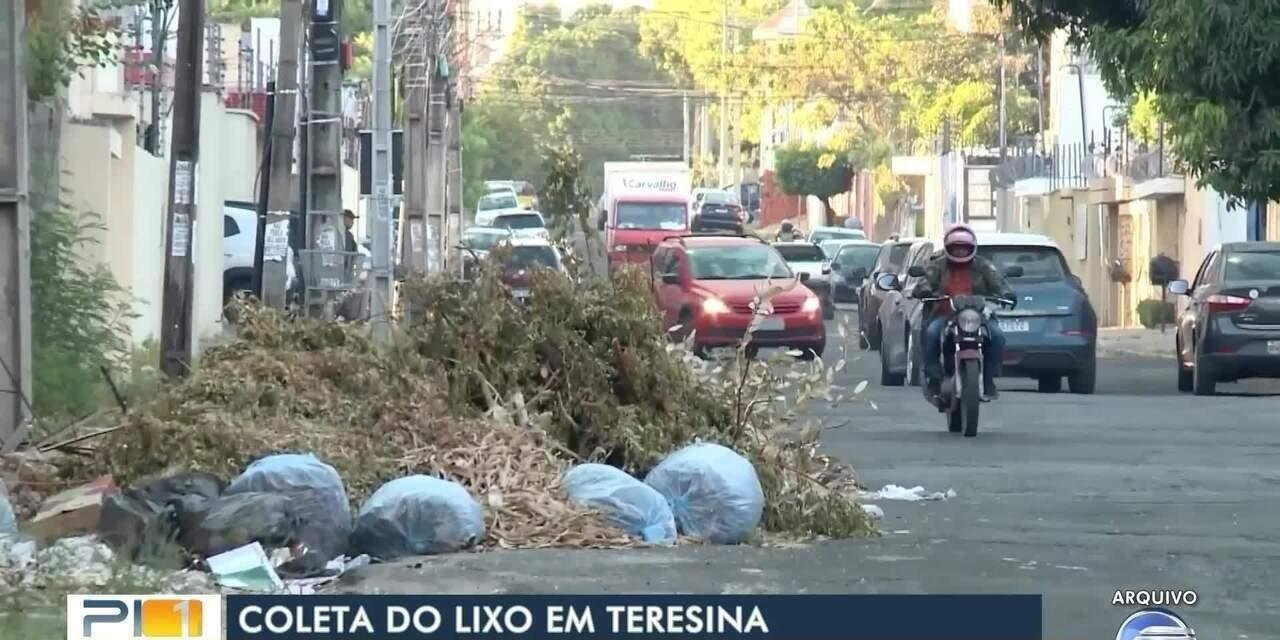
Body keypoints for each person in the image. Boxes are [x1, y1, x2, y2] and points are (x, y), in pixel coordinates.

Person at [911, 224, 1014, 400]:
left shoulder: (983, 266)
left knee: (997, 336)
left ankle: (989, 378)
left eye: (964, 248)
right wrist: (925, 290)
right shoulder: (938, 265)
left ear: (972, 248)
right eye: (955, 248)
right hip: (944, 315)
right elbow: (925, 281)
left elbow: (998, 281)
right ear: (948, 248)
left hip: (978, 317)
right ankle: (934, 379)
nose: (959, 252)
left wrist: (1006, 293)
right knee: (931, 334)